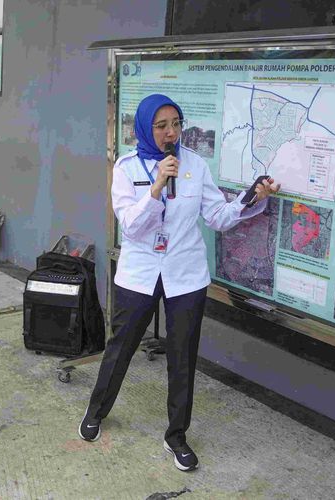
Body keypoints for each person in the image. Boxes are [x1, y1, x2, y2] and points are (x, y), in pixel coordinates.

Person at [78, 94, 280, 472]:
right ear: (145, 128)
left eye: (176, 123)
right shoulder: (125, 168)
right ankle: (96, 411)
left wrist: (251, 198)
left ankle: (177, 436)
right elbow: (132, 228)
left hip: (185, 275)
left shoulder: (196, 166)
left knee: (182, 356)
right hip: (139, 273)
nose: (171, 132)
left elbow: (217, 217)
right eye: (161, 125)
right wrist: (155, 188)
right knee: (121, 347)